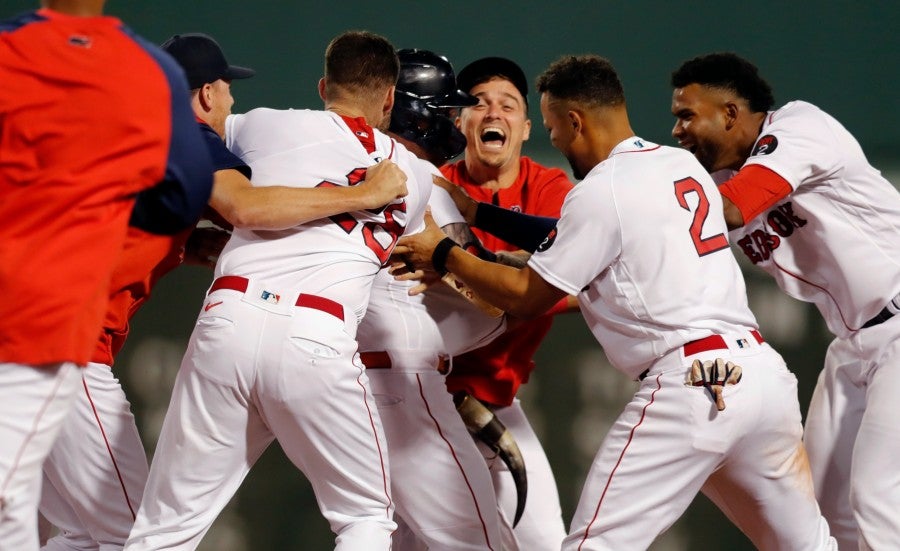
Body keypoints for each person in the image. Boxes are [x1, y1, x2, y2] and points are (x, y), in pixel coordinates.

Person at [395, 54, 837, 550]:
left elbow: (528, 297)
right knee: (809, 545)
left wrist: (444, 253)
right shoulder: (678, 165)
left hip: (691, 383)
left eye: (552, 126)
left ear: (574, 121)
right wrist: (481, 214)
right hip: (762, 381)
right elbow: (576, 233)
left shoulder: (601, 190)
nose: (555, 140)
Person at [123, 30, 430, 550]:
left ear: (322, 86)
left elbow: (193, 147)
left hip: (230, 318)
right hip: (317, 335)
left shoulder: (261, 124)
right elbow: (427, 245)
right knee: (364, 519)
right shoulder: (416, 176)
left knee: (166, 527)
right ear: (389, 99)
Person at [0, 2, 212, 549]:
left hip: (39, 332)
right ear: (207, 94)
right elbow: (184, 198)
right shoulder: (159, 107)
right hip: (65, 349)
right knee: (131, 534)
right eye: (225, 89)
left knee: (75, 529)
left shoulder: (13, 54)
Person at [670, 52, 900, 550]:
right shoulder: (719, 183)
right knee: (821, 508)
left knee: (879, 499)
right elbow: (644, 243)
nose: (678, 130)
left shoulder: (799, 128)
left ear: (730, 113)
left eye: (687, 115)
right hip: (855, 343)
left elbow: (733, 210)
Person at [356, 47, 511, 550]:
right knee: (481, 541)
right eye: (445, 111)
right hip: (403, 381)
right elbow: (493, 303)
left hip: (337, 384)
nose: (455, 122)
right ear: (413, 112)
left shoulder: (336, 165)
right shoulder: (424, 182)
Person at [439, 56, 573, 548]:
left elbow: (578, 287)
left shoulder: (549, 188)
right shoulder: (433, 185)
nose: (493, 113)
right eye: (478, 103)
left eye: (508, 105)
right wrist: (519, 283)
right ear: (460, 122)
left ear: (525, 126)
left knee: (543, 541)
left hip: (495, 400)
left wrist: (513, 290)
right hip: (422, 396)